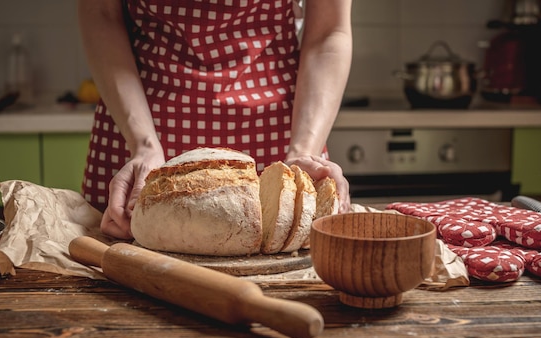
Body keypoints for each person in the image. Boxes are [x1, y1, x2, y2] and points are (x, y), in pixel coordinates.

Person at [78, 0, 353, 239]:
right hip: (139, 127)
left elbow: (329, 30)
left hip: (283, 136)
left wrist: (304, 150)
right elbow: (101, 13)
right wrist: (143, 145)